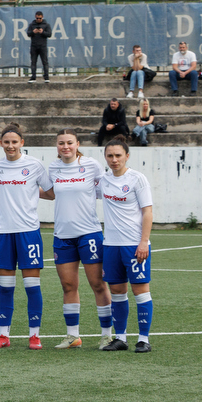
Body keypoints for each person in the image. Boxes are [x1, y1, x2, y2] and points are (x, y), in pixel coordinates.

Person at [41, 130, 113, 349]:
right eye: (61, 143)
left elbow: (105, 190)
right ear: (57, 146)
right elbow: (51, 193)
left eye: (69, 143)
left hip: (89, 233)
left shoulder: (91, 165)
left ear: (77, 144)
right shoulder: (53, 167)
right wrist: (22, 190)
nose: (65, 147)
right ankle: (73, 336)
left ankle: (107, 335)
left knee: (98, 284)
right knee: (68, 285)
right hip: (62, 236)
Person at [0, 126, 48, 349]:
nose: (10, 146)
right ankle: (3, 336)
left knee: (31, 286)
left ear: (22, 142)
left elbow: (50, 191)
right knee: (6, 287)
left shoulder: (34, 165)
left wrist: (28, 193)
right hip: (3, 232)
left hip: (28, 231)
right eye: (6, 142)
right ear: (1, 143)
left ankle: (34, 336)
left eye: (14, 142)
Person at [97, 138, 154, 352]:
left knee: (141, 291)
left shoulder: (137, 179)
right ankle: (120, 338)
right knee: (118, 292)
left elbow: (147, 211)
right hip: (111, 245)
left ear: (127, 156)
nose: (114, 159)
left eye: (118, 155)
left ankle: (143, 339)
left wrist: (143, 242)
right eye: (110, 156)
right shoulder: (103, 180)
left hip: (134, 245)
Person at [26, 11, 51, 81]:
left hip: (43, 46)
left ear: (42, 17)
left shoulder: (46, 25)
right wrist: (33, 32)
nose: (38, 19)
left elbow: (49, 34)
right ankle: (33, 77)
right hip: (34, 46)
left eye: (40, 18)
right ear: (35, 17)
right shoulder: (31, 25)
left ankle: (46, 77)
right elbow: (28, 33)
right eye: (37, 18)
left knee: (45, 62)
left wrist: (42, 32)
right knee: (33, 62)